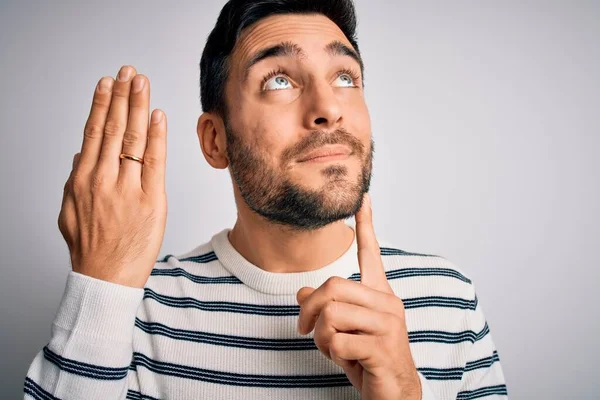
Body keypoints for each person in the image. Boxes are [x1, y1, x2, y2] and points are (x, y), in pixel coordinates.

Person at [23, 0, 508, 399]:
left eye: (345, 77)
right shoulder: (137, 308)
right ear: (216, 140)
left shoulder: (449, 300)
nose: (328, 109)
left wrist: (403, 391)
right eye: (279, 80)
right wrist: (102, 282)